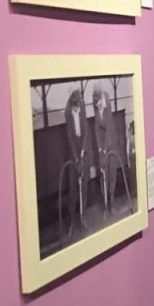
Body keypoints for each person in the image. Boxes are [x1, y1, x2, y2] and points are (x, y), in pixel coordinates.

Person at [64, 90, 90, 232]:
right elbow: (69, 139)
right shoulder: (67, 113)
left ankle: (83, 217)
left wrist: (83, 150)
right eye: (76, 107)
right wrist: (76, 158)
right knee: (73, 187)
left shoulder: (83, 106)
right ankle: (72, 221)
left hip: (83, 149)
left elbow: (86, 131)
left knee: (84, 185)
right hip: (72, 149)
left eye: (79, 106)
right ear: (72, 105)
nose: (77, 109)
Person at [92, 89, 113, 210]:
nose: (98, 105)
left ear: (102, 101)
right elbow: (96, 132)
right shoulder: (96, 114)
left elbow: (108, 132)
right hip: (103, 146)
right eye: (96, 103)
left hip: (110, 144)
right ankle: (105, 203)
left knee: (111, 173)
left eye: (99, 102)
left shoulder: (108, 112)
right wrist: (99, 148)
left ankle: (112, 201)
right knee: (103, 172)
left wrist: (105, 149)